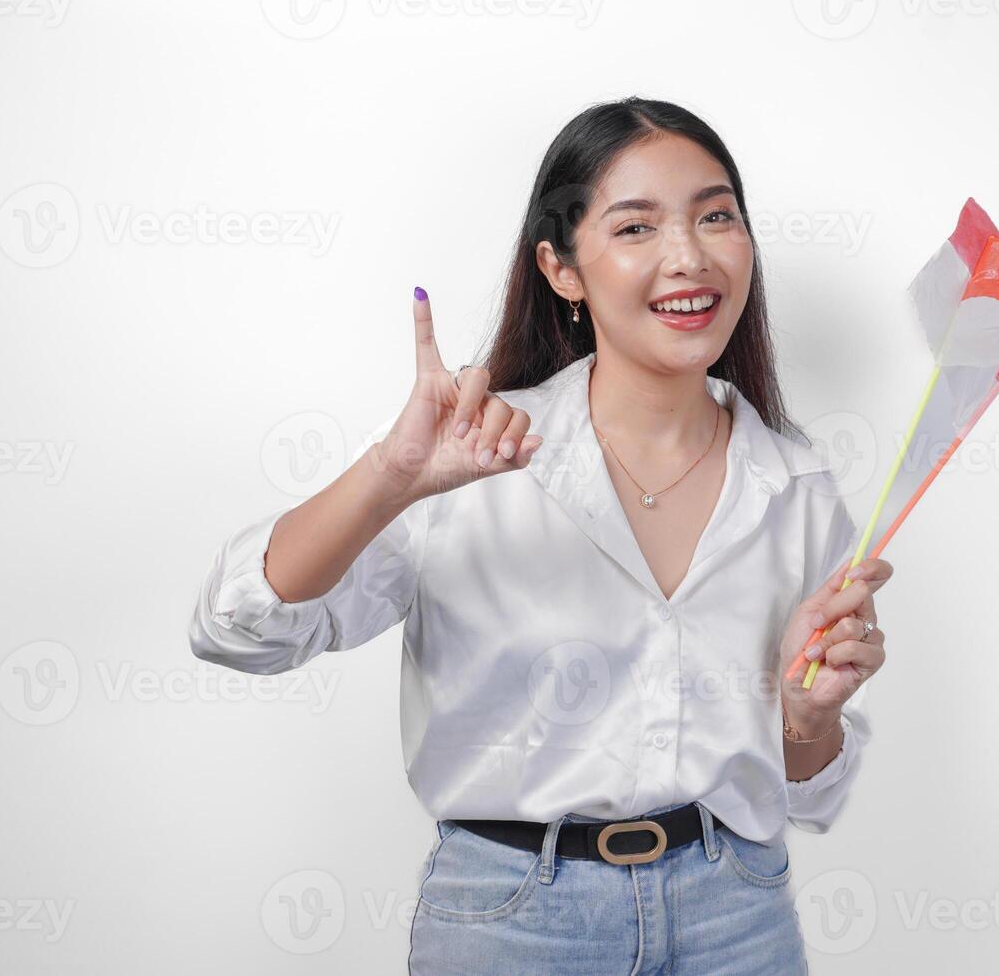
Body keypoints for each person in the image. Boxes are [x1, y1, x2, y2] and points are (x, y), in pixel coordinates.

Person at [188, 96, 891, 975]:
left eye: (717, 216)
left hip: (736, 914)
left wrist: (805, 713)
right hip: (513, 921)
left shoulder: (796, 487)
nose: (690, 256)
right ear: (562, 269)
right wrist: (387, 478)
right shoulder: (467, 454)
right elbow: (236, 629)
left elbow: (811, 792)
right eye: (636, 227)